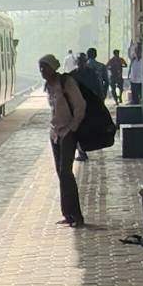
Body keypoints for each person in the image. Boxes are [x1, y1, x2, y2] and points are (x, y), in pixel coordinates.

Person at [40, 54, 86, 227]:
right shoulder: (47, 87)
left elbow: (80, 105)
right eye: (40, 68)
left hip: (67, 133)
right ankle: (67, 213)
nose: (42, 71)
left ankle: (77, 215)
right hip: (55, 134)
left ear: (53, 67)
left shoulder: (66, 83)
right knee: (61, 174)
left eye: (45, 67)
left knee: (66, 172)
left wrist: (73, 127)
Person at [128, 40, 143, 107]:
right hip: (133, 79)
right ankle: (135, 102)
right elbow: (130, 53)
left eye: (139, 51)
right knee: (134, 93)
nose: (137, 52)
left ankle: (141, 103)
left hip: (141, 80)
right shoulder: (133, 59)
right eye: (136, 51)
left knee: (141, 93)